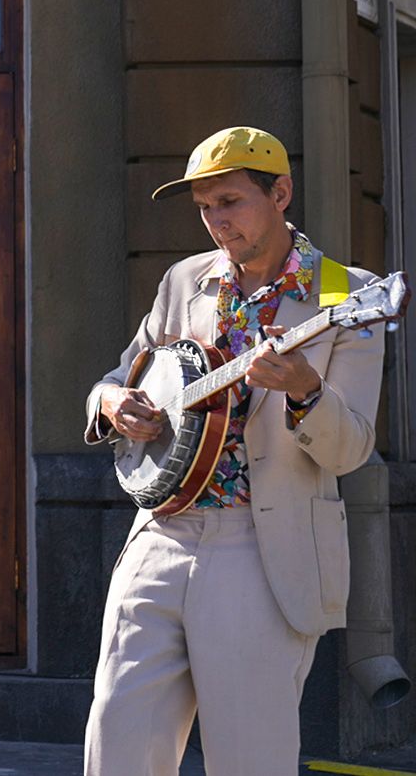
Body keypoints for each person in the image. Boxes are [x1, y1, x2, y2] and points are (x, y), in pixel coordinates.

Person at [83, 126, 383, 775]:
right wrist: (109, 404)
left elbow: (353, 444)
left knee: (249, 760)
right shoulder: (184, 279)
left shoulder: (345, 292)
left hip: (259, 546)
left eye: (230, 201)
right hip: (160, 533)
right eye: (204, 207)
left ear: (280, 192)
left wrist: (305, 388)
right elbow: (122, 375)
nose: (216, 221)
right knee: (117, 750)